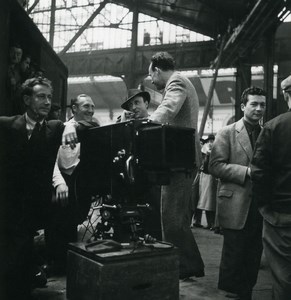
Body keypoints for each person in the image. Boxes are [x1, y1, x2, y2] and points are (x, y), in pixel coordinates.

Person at [0, 76, 77, 300]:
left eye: (49, 97)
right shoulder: (7, 125)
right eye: (40, 96)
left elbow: (76, 121)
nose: (46, 101)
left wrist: (70, 125)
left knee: (21, 262)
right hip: (8, 204)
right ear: (26, 99)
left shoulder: (54, 128)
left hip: (35, 207)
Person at [148, 51, 204, 279]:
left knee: (171, 217)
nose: (151, 80)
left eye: (150, 75)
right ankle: (187, 264)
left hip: (180, 160)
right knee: (175, 217)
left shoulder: (177, 81)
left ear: (157, 70)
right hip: (181, 159)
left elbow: (168, 108)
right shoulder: (180, 81)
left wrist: (147, 124)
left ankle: (184, 265)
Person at [209, 86, 266, 300]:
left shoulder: (266, 133)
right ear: (243, 106)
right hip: (235, 206)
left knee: (252, 258)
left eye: (262, 105)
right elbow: (215, 166)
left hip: (259, 208)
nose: (258, 109)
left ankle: (246, 295)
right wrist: (246, 172)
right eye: (254, 104)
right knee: (233, 259)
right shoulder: (227, 132)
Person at [48, 94, 99, 273]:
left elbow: (93, 125)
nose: (91, 110)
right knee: (58, 221)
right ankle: (57, 262)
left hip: (81, 184)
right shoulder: (58, 129)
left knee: (75, 220)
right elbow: (55, 161)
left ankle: (69, 261)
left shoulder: (91, 127)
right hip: (61, 181)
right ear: (74, 109)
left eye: (92, 106)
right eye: (86, 106)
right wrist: (69, 125)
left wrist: (73, 124)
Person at [251, 75, 291, 300]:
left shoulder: (274, 127)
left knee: (283, 278)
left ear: (286, 95)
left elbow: (259, 173)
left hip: (281, 217)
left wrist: (266, 208)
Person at [196, 134, 217, 230]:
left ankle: (211, 223)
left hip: (209, 176)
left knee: (209, 201)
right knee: (207, 201)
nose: (211, 142)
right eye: (210, 141)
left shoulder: (209, 150)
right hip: (206, 176)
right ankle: (210, 223)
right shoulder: (206, 150)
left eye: (212, 140)